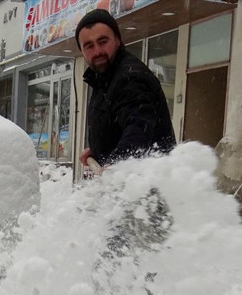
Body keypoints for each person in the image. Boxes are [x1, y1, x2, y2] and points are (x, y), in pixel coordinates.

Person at [75, 9, 176, 175]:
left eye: (103, 41)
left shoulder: (131, 77)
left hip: (147, 189)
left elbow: (139, 128)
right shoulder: (105, 77)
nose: (97, 51)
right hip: (130, 187)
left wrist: (116, 165)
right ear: (82, 51)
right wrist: (98, 150)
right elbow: (116, 125)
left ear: (118, 41)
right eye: (89, 45)